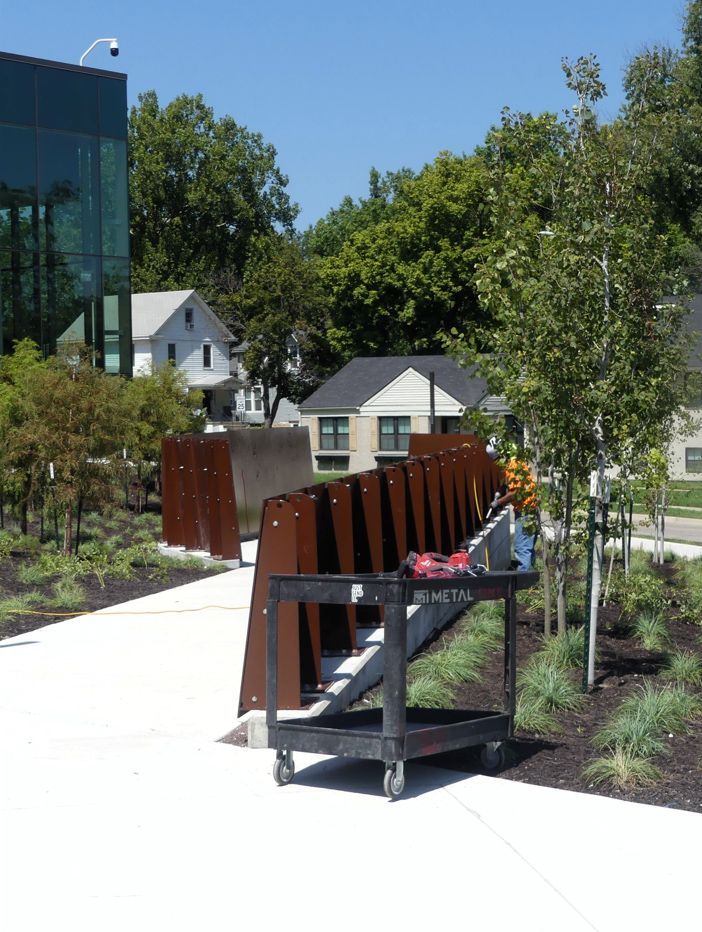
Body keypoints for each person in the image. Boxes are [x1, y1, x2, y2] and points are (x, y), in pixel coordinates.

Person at [486, 439, 538, 572]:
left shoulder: (514, 465)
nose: (497, 463)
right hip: (529, 509)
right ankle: (529, 578)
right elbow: (509, 484)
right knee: (527, 547)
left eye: (497, 459)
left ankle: (523, 582)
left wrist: (498, 502)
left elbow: (515, 492)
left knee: (522, 548)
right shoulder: (513, 463)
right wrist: (500, 490)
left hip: (526, 511)